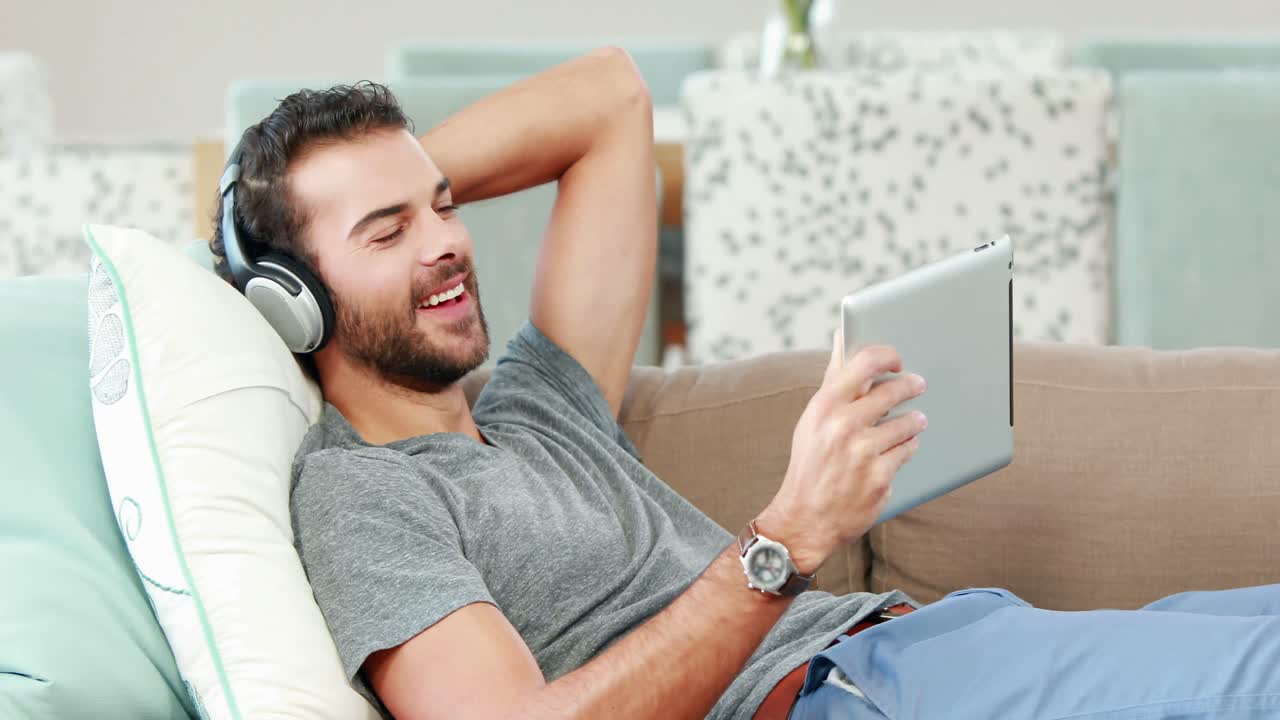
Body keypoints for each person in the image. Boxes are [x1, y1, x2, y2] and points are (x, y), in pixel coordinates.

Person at [210, 48, 1280, 720]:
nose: (445, 244)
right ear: (292, 297)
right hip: (844, 697)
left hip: (926, 643)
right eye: (389, 232)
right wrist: (783, 542)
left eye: (444, 208)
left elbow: (609, 98)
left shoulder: (536, 403)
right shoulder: (363, 497)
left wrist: (385, 185)